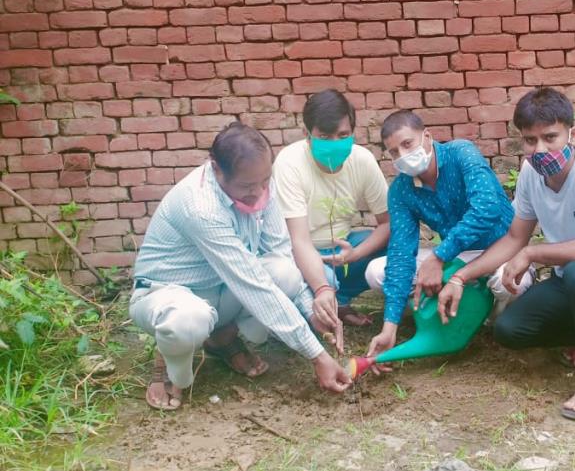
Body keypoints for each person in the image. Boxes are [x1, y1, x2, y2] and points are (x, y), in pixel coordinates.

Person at [436, 88, 575, 421]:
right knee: (510, 329)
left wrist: (534, 253)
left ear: (573, 134)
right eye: (530, 140)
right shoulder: (531, 174)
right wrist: (459, 276)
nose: (539, 149)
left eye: (550, 137)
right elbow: (515, 237)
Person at [130, 121, 351, 410]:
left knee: (284, 272)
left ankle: (221, 338)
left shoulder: (260, 183)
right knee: (188, 321)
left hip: (222, 289)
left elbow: (280, 255)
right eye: (247, 186)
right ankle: (174, 369)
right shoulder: (200, 207)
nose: (259, 192)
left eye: (265, 181)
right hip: (168, 295)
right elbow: (254, 285)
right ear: (216, 169)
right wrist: (317, 355)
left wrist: (311, 312)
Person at [364, 109, 533, 361]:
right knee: (377, 271)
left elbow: (487, 208)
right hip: (457, 256)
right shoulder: (401, 190)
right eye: (394, 152)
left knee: (506, 283)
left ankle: (491, 318)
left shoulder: (461, 153)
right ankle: (444, 313)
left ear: (427, 136)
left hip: (502, 248)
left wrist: (439, 256)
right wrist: (390, 327)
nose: (403, 155)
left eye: (407, 144)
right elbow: (401, 252)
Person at [273, 89, 390, 342]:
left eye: (343, 135)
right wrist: (323, 286)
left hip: (341, 251)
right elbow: (298, 240)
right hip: (299, 254)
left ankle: (339, 300)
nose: (335, 143)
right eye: (325, 137)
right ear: (307, 135)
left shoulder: (363, 160)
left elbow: (388, 223)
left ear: (353, 133)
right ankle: (321, 299)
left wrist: (355, 254)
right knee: (320, 279)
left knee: (395, 240)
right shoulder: (289, 162)